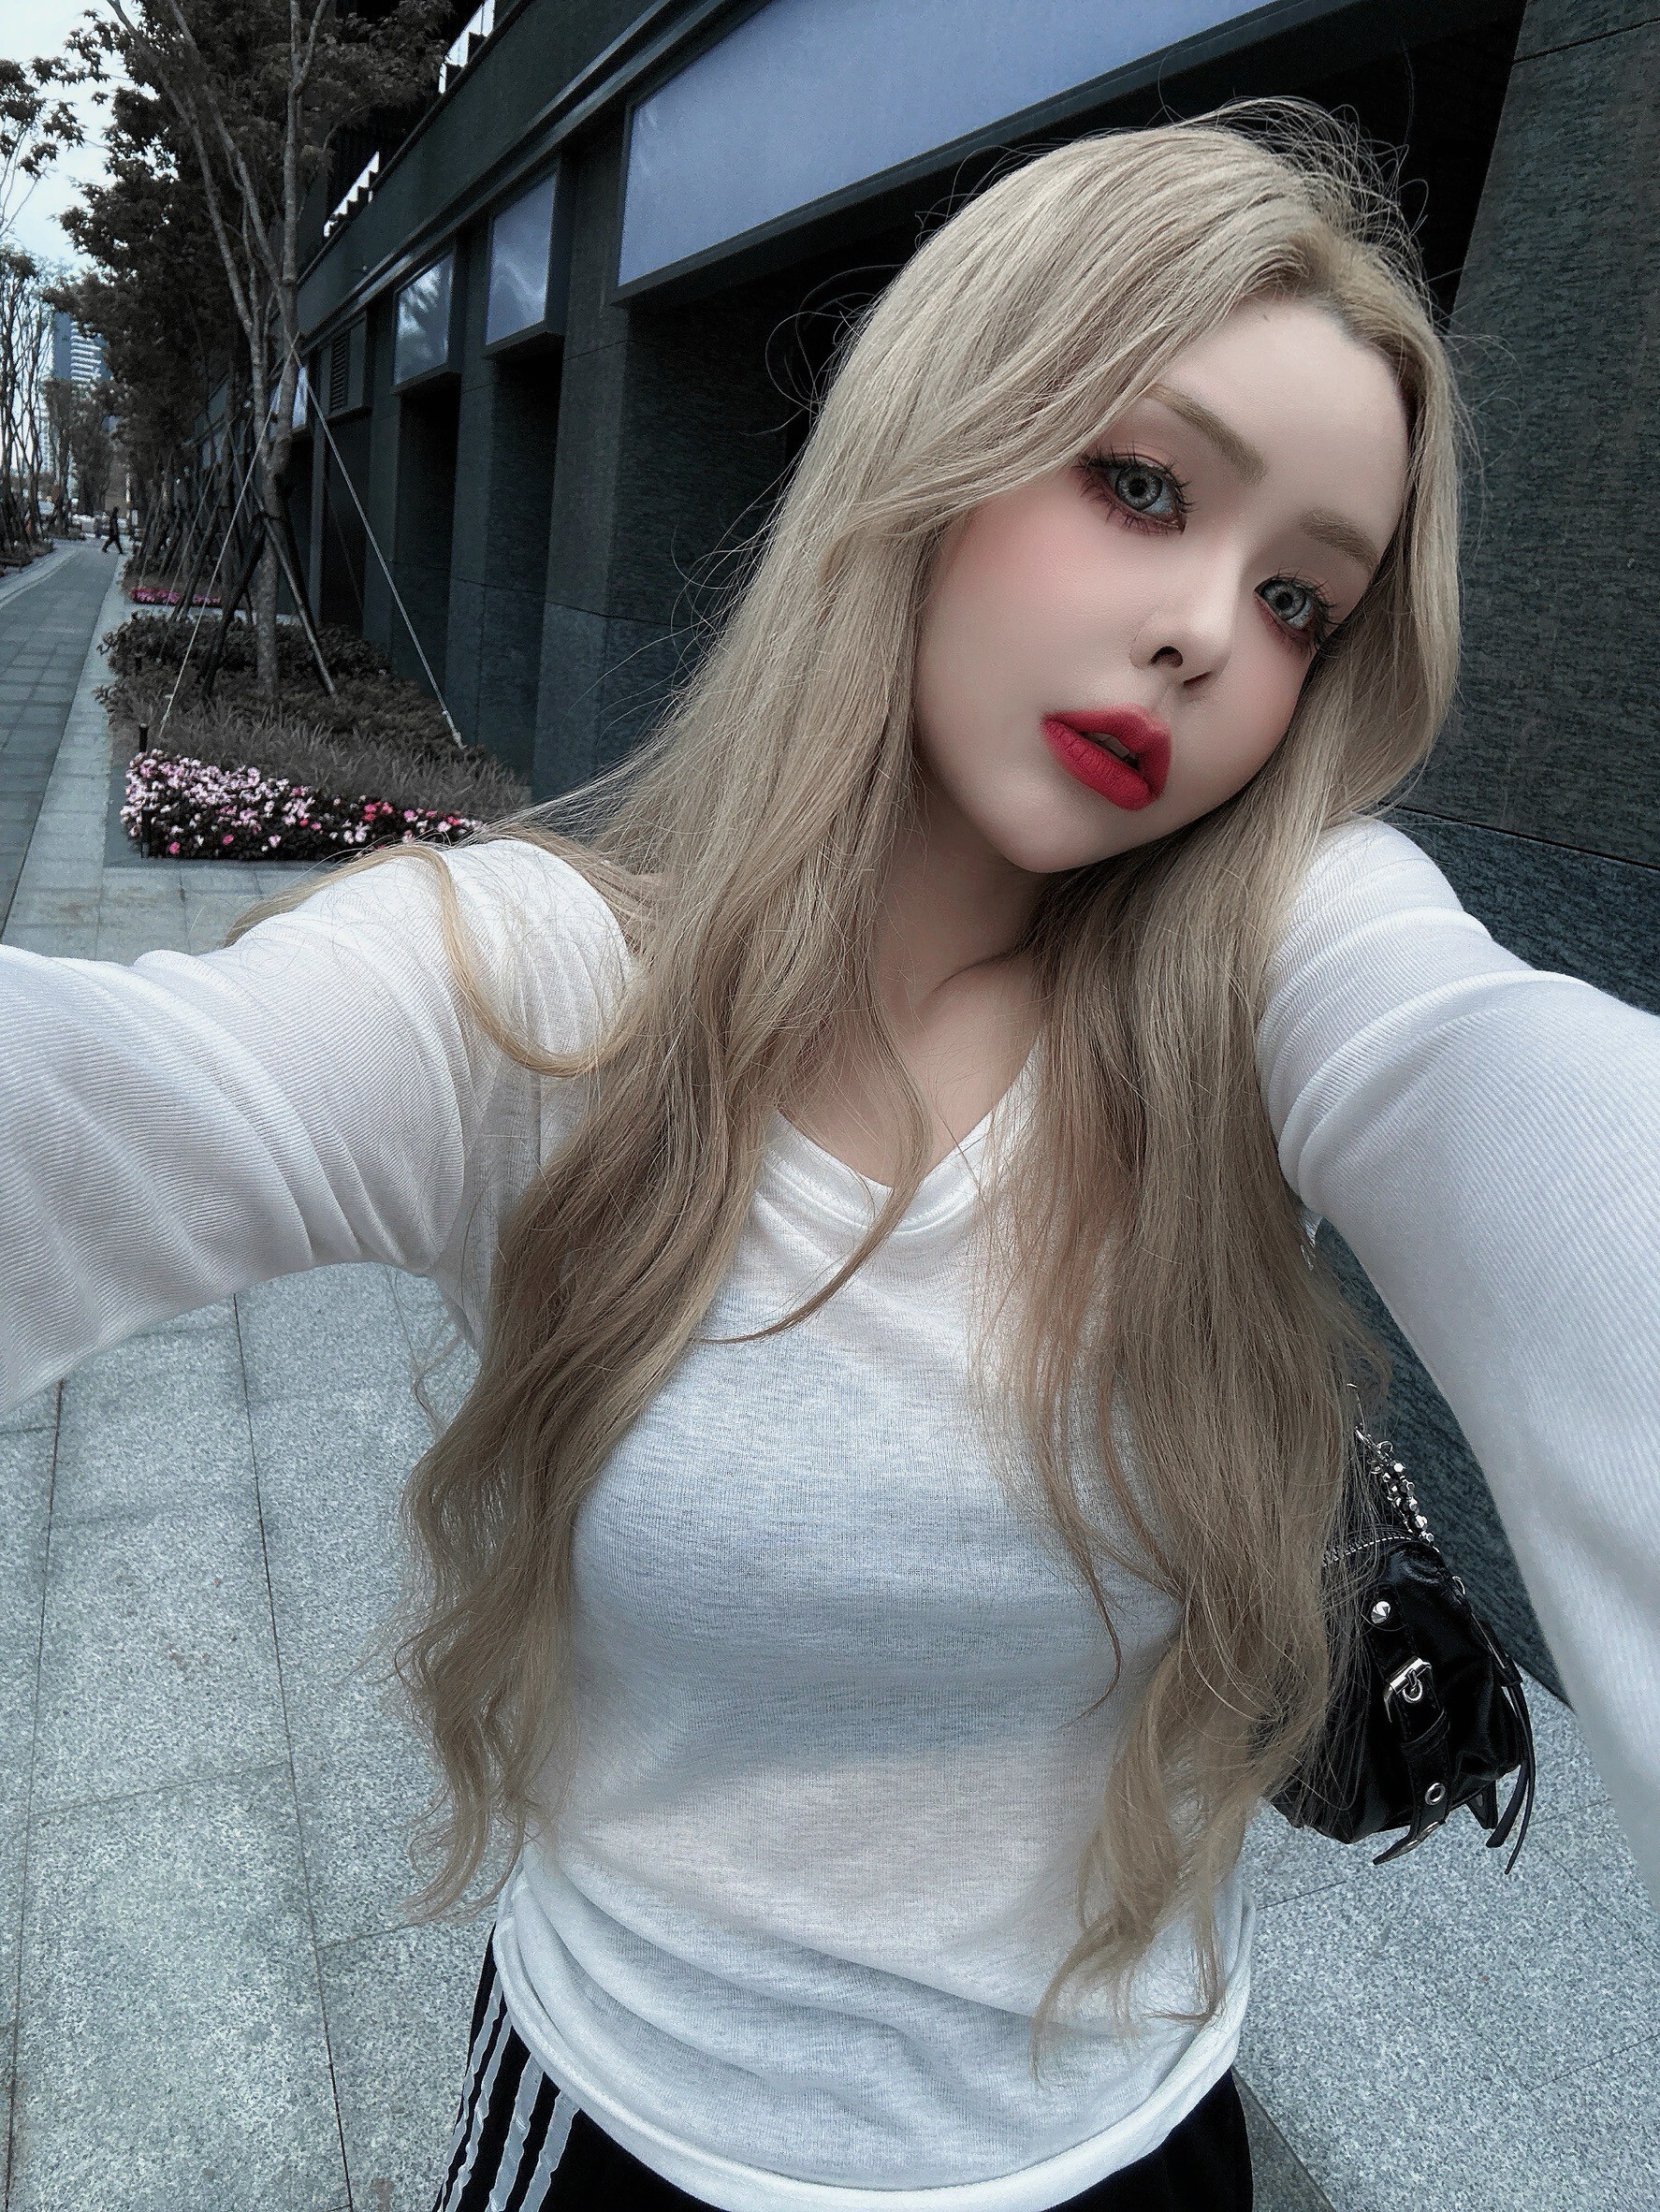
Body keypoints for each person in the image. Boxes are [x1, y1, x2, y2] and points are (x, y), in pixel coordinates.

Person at [2, 107, 1656, 2212]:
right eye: (1139, 484)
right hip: (635, 2131)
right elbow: (100, 1108)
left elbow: (1512, 1098)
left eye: (1297, 602)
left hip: (1134, 2146)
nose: (1202, 635)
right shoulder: (546, 1000)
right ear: (939, 446)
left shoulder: (1275, 973)